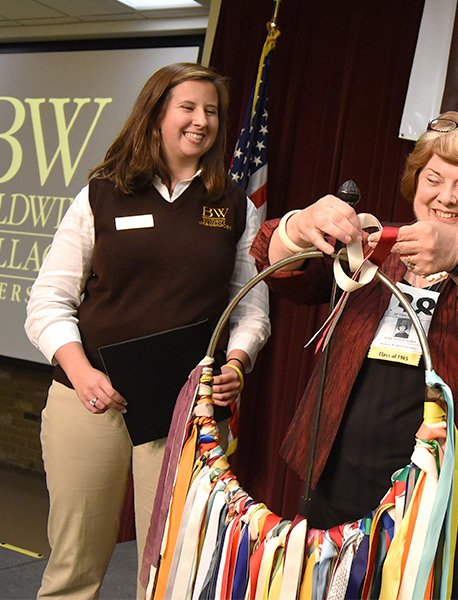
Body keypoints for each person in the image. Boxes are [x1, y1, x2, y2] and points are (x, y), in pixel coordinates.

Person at [249, 111, 458, 599]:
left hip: (453, 511)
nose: (445, 196)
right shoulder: (377, 249)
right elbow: (276, 261)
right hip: (341, 492)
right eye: (434, 178)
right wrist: (301, 224)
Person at [25, 63, 270, 600]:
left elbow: (250, 308)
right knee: (73, 567)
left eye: (211, 111)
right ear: (156, 115)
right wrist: (82, 372)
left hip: (182, 408)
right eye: (188, 107)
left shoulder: (234, 205)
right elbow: (48, 300)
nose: (201, 121)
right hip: (89, 400)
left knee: (168, 572)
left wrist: (237, 362)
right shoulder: (101, 195)